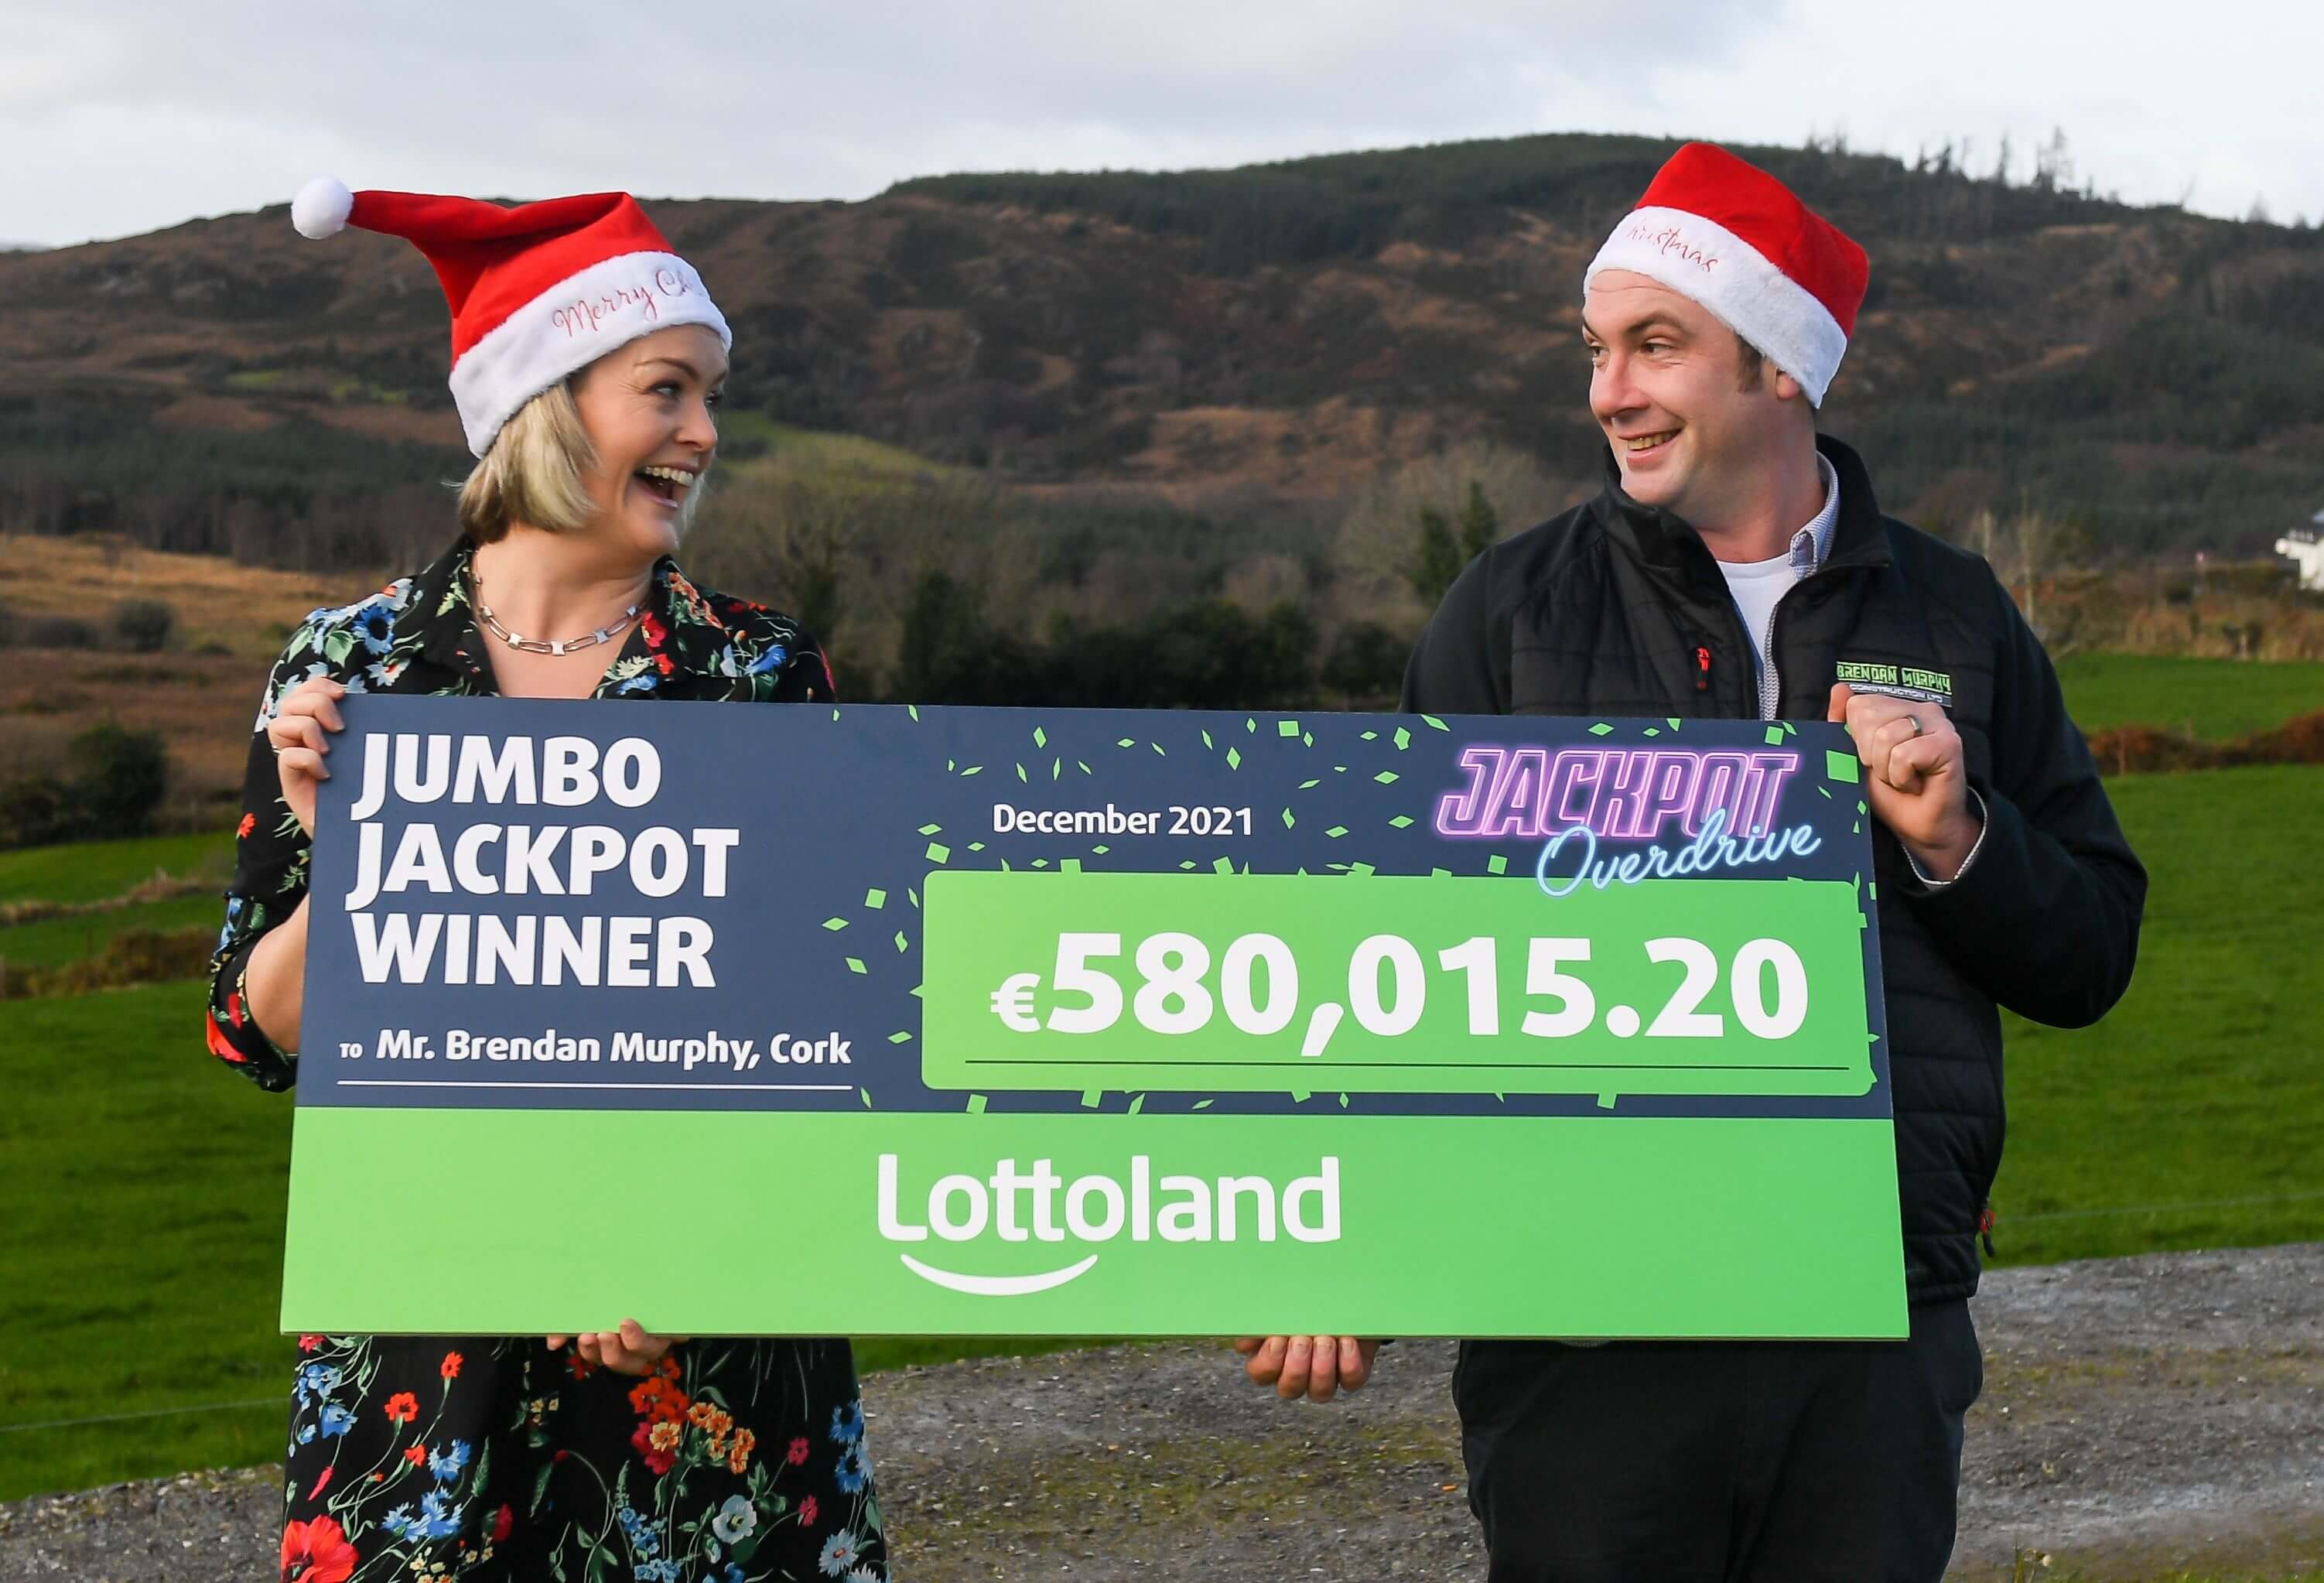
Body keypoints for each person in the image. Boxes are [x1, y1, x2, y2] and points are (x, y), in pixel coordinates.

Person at [1234, 142, 2146, 1581]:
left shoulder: (1959, 615)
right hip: (1586, 1340)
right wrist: (1351, 1235)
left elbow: (2095, 949)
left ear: (1780, 365)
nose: (1610, 391)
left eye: (1656, 345)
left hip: (1872, 1332)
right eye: (1598, 350)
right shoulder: (1509, 610)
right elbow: (1384, 955)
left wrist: (1957, 838)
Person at [207, 180, 888, 1582]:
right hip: (426, 1397)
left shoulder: (759, 671)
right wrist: (340, 850)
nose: (703, 433)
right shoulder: (355, 671)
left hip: (712, 1399)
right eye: (667, 390)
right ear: (547, 402)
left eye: (708, 396)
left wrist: (698, 1259)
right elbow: (266, 1030)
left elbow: (846, 1029)